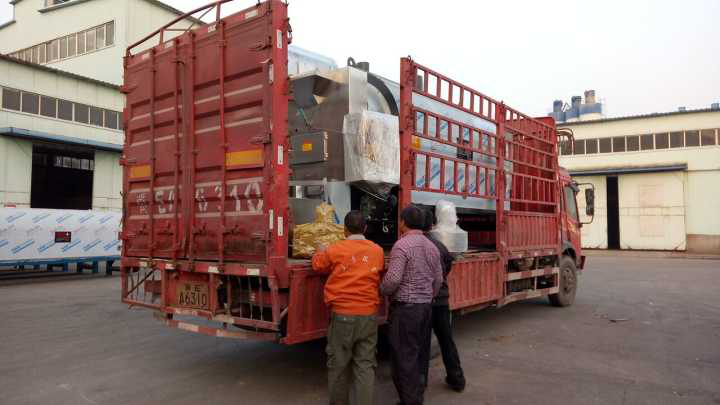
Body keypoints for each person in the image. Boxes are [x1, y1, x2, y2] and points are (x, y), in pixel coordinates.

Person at [312, 210, 385, 405]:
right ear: (365, 228)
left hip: (343, 315)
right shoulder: (377, 250)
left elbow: (318, 265)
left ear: (344, 230)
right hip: (368, 315)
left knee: (338, 365)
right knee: (365, 365)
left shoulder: (334, 249)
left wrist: (319, 250)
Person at [381, 204, 443, 405]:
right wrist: (428, 296)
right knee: (419, 354)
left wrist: (382, 290)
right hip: (425, 308)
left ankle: (411, 401)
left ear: (403, 222)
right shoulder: (432, 246)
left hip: (406, 310)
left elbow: (393, 280)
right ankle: (417, 395)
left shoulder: (402, 245)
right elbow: (438, 279)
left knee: (403, 359)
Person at [419, 208, 466, 392]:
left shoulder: (410, 245)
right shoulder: (440, 246)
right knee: (446, 340)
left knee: (422, 343)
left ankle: (420, 384)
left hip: (422, 302)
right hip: (441, 300)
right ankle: (457, 379)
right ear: (432, 225)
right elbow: (447, 266)